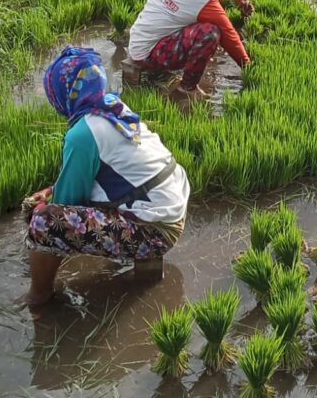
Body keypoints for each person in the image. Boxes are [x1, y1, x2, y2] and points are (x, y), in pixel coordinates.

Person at [23, 46, 191, 306]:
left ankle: (39, 296)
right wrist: (50, 190)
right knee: (55, 205)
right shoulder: (112, 107)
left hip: (155, 230)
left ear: (61, 92)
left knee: (44, 221)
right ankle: (144, 273)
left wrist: (44, 202)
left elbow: (68, 202)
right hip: (169, 207)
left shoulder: (82, 133)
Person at [128, 0, 253, 98]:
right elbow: (229, 35)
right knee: (210, 33)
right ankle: (187, 89)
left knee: (199, 22)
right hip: (149, 55)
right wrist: (249, 68)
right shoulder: (203, 0)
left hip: (138, 40)